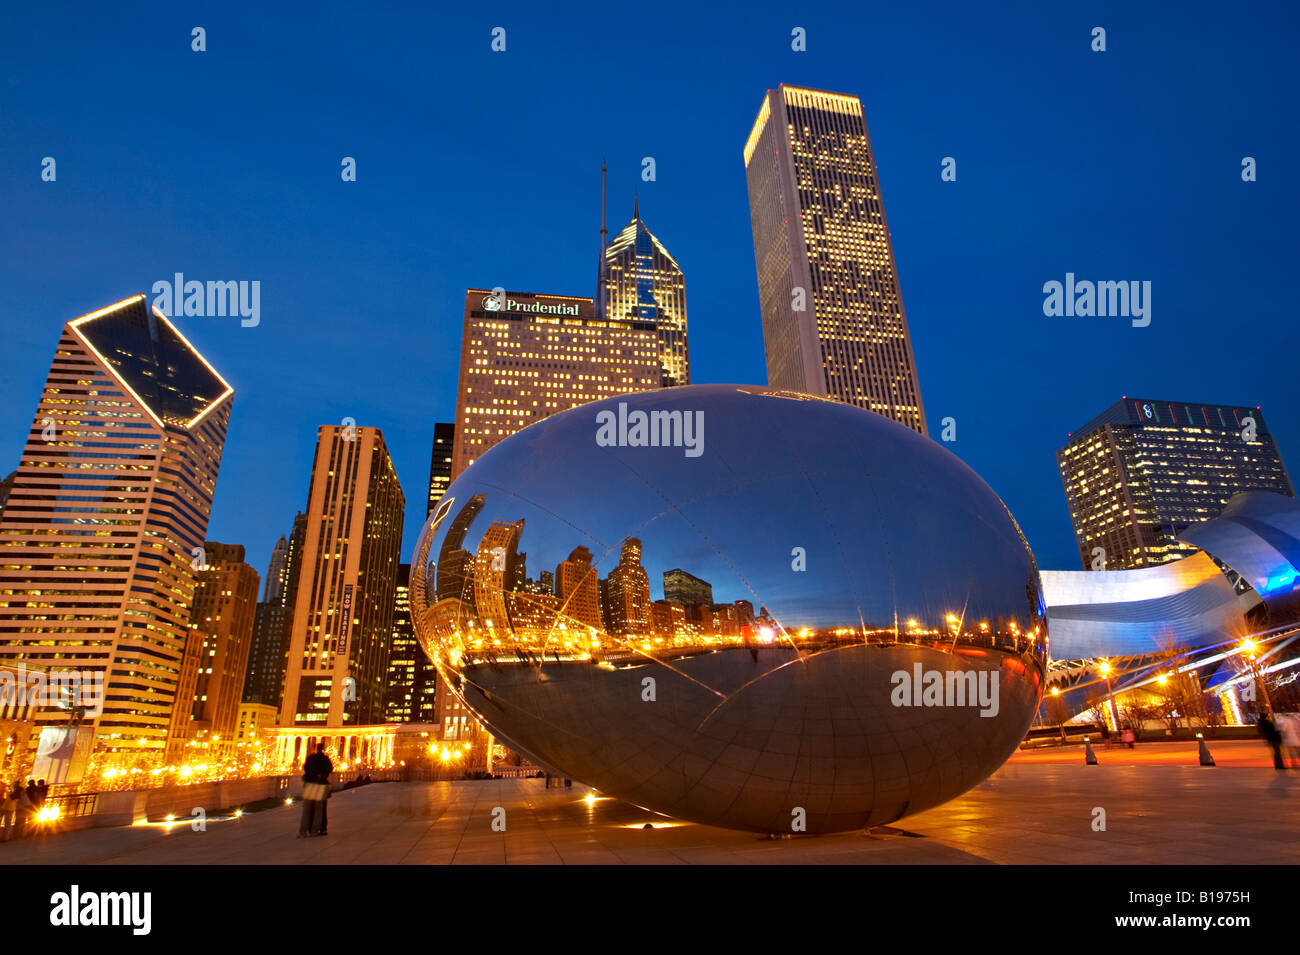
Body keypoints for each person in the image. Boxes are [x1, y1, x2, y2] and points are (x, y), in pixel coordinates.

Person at [298, 743, 333, 837]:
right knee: (319, 809)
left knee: (306, 810)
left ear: (315, 749)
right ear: (323, 749)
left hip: (309, 784)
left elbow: (305, 768)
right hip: (320, 785)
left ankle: (303, 832)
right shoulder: (325, 759)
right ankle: (314, 831)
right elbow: (330, 769)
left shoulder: (310, 758)